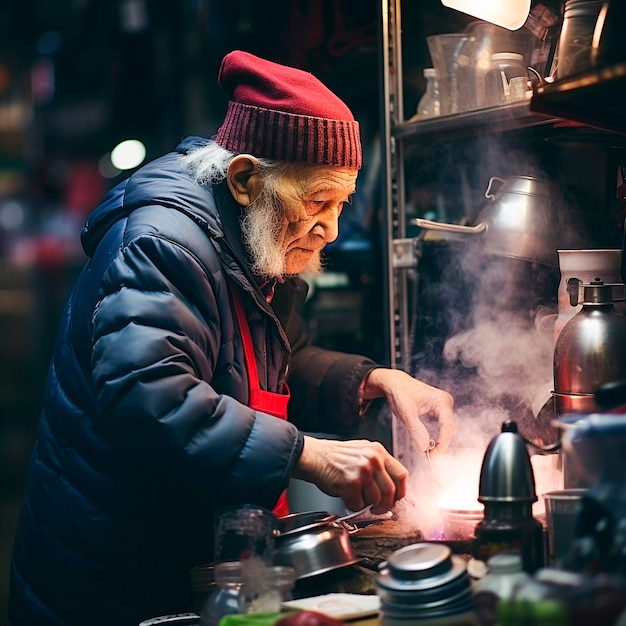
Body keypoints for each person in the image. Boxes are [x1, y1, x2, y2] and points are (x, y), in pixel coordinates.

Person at [8, 50, 455, 626]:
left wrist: (373, 380)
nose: (332, 229)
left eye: (340, 204)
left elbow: (273, 359)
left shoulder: (247, 243)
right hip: (113, 578)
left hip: (176, 561)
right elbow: (150, 399)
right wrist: (307, 454)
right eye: (316, 202)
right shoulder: (161, 246)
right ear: (245, 179)